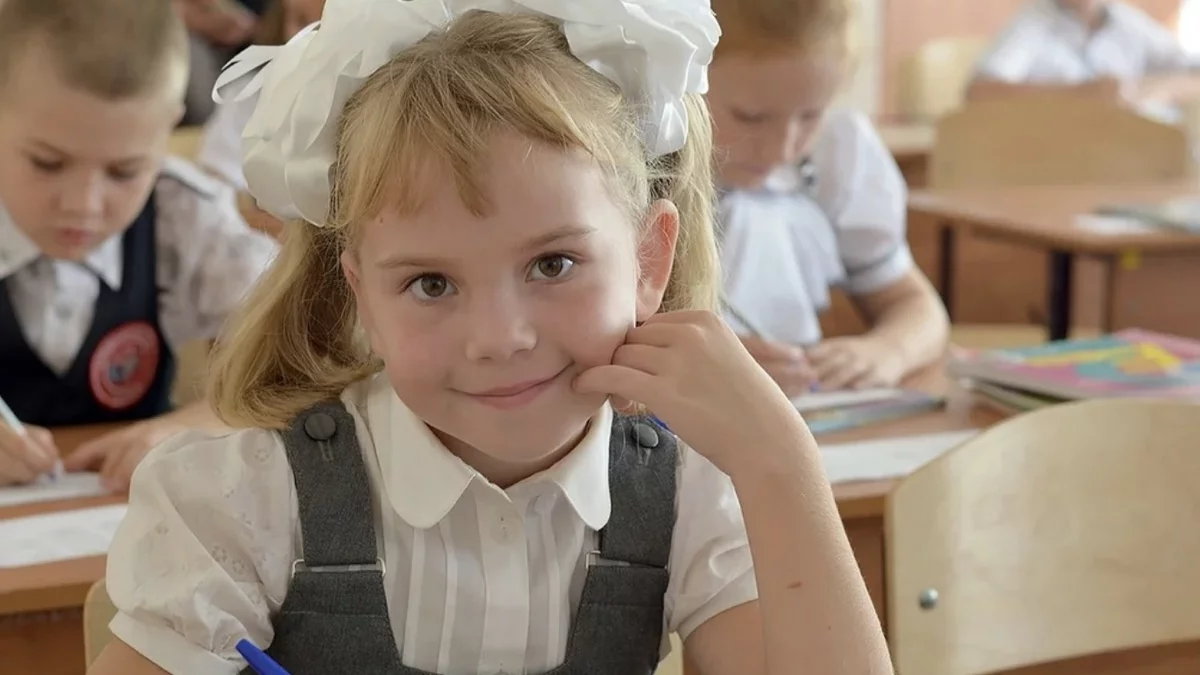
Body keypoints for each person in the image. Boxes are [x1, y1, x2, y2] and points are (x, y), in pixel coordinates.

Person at [88, 1, 892, 674]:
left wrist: (781, 462)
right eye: (431, 283)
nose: (499, 338)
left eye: (553, 263)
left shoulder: (694, 492)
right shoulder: (245, 500)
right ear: (363, 294)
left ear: (649, 259)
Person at [0, 0, 277, 490]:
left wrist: (195, 425)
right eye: (47, 163)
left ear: (165, 128)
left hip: (128, 512)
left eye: (124, 171)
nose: (83, 205)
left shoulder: (179, 215)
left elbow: (306, 360)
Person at [707, 0, 949, 398]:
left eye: (810, 117)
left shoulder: (835, 158)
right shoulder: (634, 164)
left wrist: (887, 350)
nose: (782, 149)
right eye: (751, 117)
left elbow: (919, 307)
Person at [198, 0, 327, 235]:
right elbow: (215, 193)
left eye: (328, 26)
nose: (307, 38)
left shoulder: (379, 112)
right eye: (300, 21)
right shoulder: (250, 96)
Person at [967, 0, 1200, 110]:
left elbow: (1193, 74)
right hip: (1061, 156)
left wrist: (1143, 90)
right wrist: (1081, 94)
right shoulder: (1032, 22)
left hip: (1144, 154)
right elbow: (979, 92)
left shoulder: (1128, 21)